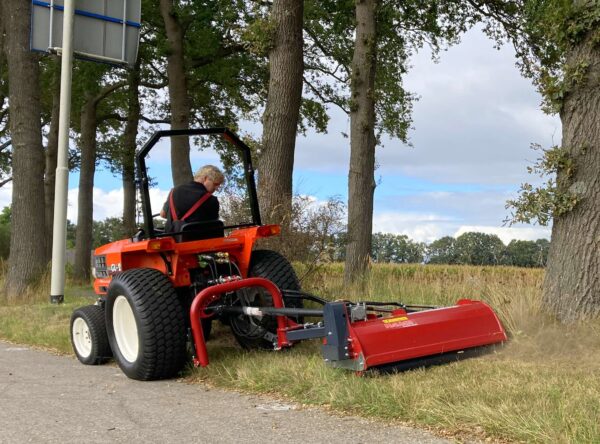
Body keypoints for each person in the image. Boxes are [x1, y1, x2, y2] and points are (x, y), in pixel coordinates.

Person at [160, 165, 224, 232]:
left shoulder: (174, 191)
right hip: (199, 237)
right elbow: (213, 227)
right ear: (205, 178)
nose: (217, 189)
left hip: (172, 237)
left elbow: (163, 214)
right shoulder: (211, 200)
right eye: (215, 184)